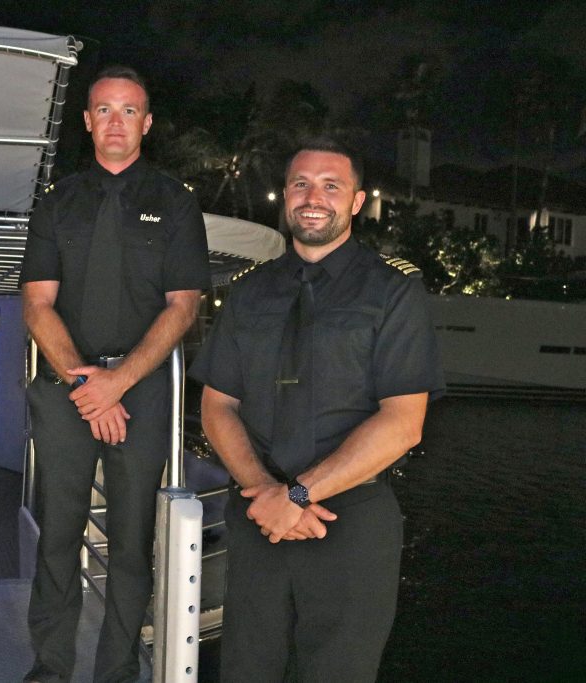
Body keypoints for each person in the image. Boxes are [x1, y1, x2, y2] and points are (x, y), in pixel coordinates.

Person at [190, 137, 444, 682]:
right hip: (258, 517)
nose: (313, 197)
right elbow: (217, 405)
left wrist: (298, 496)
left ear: (356, 201)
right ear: (285, 195)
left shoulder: (393, 291)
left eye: (332, 186)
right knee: (246, 670)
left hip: (351, 521)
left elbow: (404, 422)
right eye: (301, 184)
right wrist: (266, 493)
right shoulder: (249, 292)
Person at [19, 66, 211, 682]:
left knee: (132, 543)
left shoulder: (176, 203)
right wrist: (86, 385)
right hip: (66, 393)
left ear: (146, 123)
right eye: (104, 109)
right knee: (57, 537)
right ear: (87, 120)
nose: (115, 122)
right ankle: (51, 668)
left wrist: (118, 383)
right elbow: (36, 304)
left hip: (141, 395)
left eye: (129, 111)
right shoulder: (57, 202)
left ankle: (118, 670)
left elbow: (184, 306)